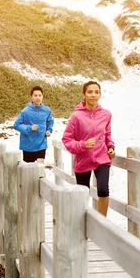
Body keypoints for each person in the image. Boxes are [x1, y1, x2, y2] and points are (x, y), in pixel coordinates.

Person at [62, 80, 115, 216]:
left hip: (101, 158)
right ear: (84, 94)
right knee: (82, 194)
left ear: (100, 94)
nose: (93, 95)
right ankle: (84, 222)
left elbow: (107, 134)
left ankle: (102, 223)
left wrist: (110, 146)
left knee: (103, 190)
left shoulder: (106, 114)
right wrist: (82, 145)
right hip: (83, 159)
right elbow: (67, 139)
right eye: (90, 92)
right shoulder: (76, 116)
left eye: (96, 92)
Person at [13, 86, 54, 163]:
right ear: (31, 97)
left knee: (40, 170)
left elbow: (50, 122)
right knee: (29, 171)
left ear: (42, 96)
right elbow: (16, 125)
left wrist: (49, 130)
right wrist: (29, 128)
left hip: (42, 144)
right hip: (28, 145)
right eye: (35, 95)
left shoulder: (47, 111)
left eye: (40, 95)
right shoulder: (25, 112)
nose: (37, 98)